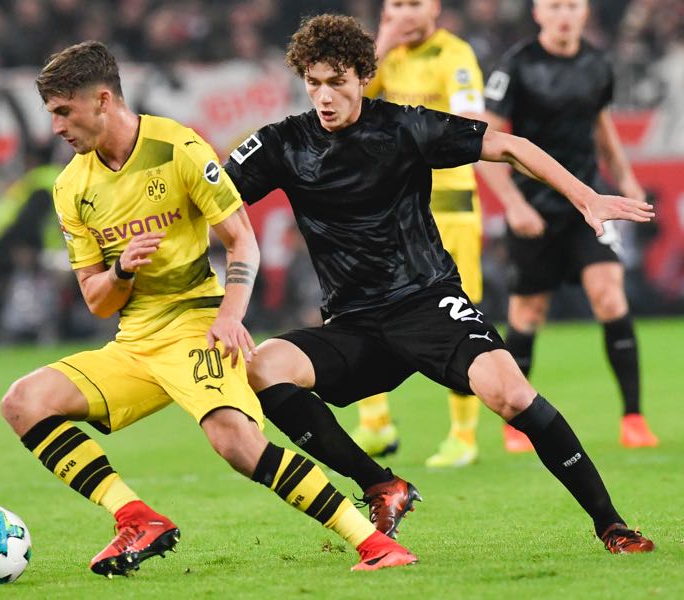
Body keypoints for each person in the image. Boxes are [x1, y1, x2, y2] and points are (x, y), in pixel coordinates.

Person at [225, 14, 655, 554]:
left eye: (337, 81)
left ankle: (611, 524)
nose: (325, 96)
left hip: (428, 302)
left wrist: (585, 196)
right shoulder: (283, 143)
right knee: (264, 367)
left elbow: (512, 146)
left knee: (512, 392)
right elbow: (210, 193)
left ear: (363, 76)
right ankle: (382, 485)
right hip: (355, 325)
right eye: (314, 82)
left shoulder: (404, 126)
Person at [0, 41, 417, 577]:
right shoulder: (70, 186)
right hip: (134, 343)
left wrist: (230, 315)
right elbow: (96, 299)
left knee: (236, 442)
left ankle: (373, 544)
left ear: (102, 100)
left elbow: (242, 240)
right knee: (23, 402)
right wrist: (122, 269)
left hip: (197, 324)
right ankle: (135, 518)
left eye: (63, 111)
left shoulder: (178, 148)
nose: (55, 127)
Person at [479, 0, 658, 451]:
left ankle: (633, 418)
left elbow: (603, 129)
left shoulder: (598, 64)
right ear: (539, 12)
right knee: (528, 315)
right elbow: (488, 141)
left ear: (584, 14)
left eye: (572, 6)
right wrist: (515, 204)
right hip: (536, 210)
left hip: (588, 206)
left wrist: (627, 178)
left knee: (609, 295)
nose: (564, 14)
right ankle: (515, 422)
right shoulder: (516, 66)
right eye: (554, 6)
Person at [351, 0, 487, 468]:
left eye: (414, 3)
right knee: (365, 302)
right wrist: (382, 44)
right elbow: (347, 103)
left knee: (460, 311)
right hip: (394, 205)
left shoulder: (456, 55)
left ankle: (463, 435)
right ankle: (374, 423)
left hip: (450, 207)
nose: (406, 12)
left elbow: (473, 123)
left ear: (436, 7)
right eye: (396, 4)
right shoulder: (386, 55)